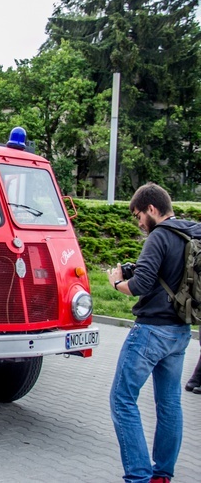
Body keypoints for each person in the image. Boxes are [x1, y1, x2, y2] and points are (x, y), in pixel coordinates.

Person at [107, 183, 200, 483]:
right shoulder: (192, 233)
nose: (138, 223)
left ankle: (138, 476)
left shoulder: (159, 236)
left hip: (150, 332)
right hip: (181, 332)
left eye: (138, 215)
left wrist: (116, 282)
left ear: (151, 209)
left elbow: (141, 285)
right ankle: (162, 474)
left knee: (122, 399)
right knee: (170, 403)